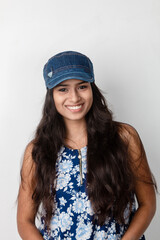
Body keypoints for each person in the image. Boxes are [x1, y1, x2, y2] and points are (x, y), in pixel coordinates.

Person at [17, 51, 156, 240]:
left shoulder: (124, 137)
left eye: (82, 87)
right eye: (63, 89)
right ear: (51, 95)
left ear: (92, 88)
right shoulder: (37, 151)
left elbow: (148, 203)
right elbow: (24, 221)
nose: (74, 98)